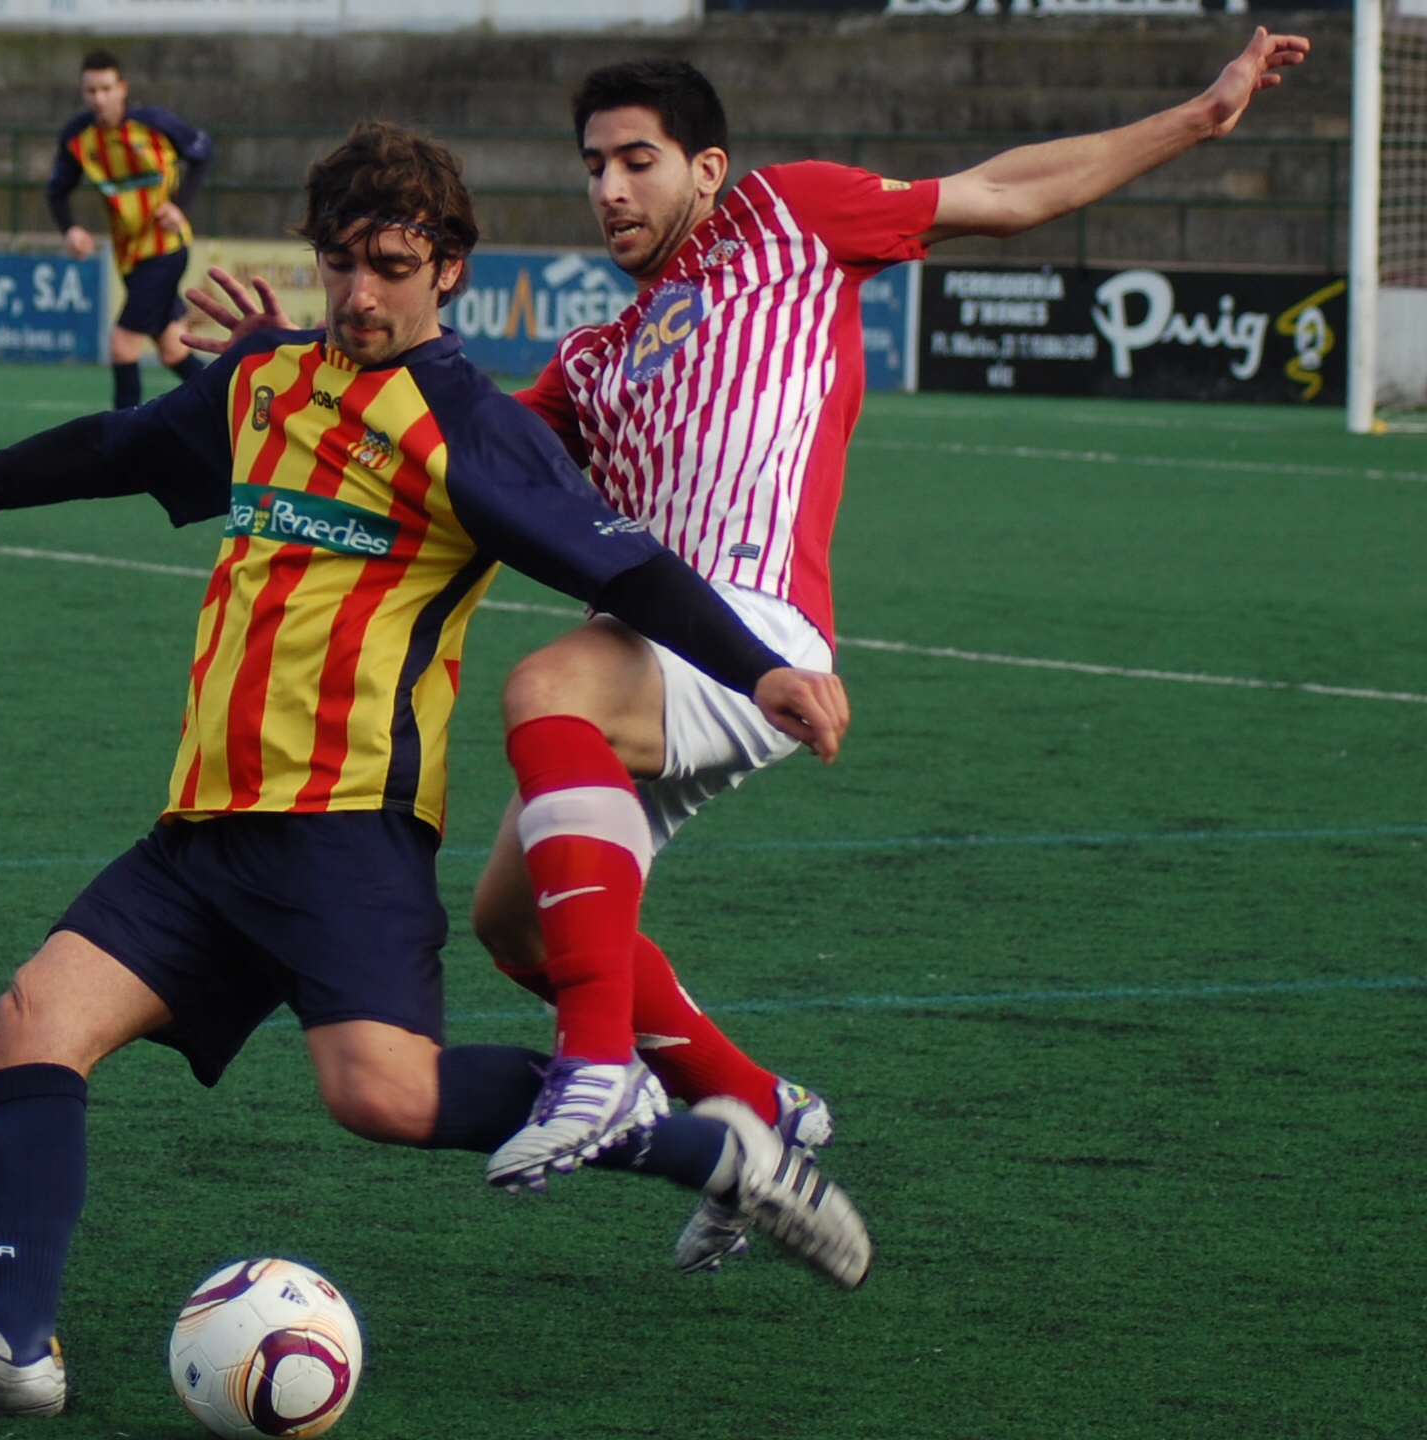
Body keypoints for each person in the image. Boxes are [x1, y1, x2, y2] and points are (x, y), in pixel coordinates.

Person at [0, 121, 870, 1420]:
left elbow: (623, 566)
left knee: (381, 1095)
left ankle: (715, 1147)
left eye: (390, 264)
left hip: (344, 832)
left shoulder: (469, 431)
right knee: (34, 1022)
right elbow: (112, 450)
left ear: (450, 272)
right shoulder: (264, 387)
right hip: (202, 830)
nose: (360, 292)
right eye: (339, 263)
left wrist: (753, 661)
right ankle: (8, 1342)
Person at [462, 31, 1313, 1256]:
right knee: (513, 926)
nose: (608, 190)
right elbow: (458, 454)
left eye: (636, 161)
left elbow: (1009, 191)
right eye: (593, 165)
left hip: (762, 633)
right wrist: (284, 373)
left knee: (546, 679)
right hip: (662, 661)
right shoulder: (597, 357)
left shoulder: (789, 214)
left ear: (707, 166)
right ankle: (760, 1117)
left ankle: (598, 1067)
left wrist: (1198, 116)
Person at [48, 47, 212, 408]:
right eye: (91, 91)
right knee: (172, 350)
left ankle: (124, 444)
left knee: (122, 345)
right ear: (82, 92)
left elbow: (202, 152)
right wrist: (71, 229)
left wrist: (179, 208)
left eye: (106, 89)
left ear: (122, 88)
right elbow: (57, 191)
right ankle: (232, 406)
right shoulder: (78, 137)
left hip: (165, 248)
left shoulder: (153, 123)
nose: (99, 98)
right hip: (129, 256)